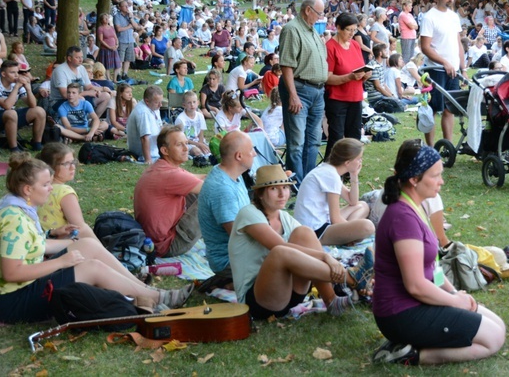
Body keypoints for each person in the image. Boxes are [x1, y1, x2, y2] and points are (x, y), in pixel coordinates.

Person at [0, 153, 193, 323]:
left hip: (20, 289)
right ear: (27, 189)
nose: (51, 188)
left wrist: (59, 238)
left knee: (86, 244)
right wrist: (61, 262)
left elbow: (31, 245)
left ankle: (141, 289)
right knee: (90, 267)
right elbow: (11, 272)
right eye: (45, 185)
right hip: (11, 302)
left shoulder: (19, 209)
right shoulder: (15, 220)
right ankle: (156, 298)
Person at [372, 140, 505, 365]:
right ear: (414, 179)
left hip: (418, 302)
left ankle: (414, 343)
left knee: (499, 326)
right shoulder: (402, 217)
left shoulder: (418, 205)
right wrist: (455, 303)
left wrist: (454, 293)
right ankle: (411, 356)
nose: (441, 181)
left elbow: (432, 267)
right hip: (401, 314)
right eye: (435, 176)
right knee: (493, 339)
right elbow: (415, 285)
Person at [228, 164, 372, 320]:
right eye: (274, 189)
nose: (282, 194)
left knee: (304, 233)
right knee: (280, 252)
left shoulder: (284, 218)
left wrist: (332, 262)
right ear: (260, 194)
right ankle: (352, 279)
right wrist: (325, 257)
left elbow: (308, 245)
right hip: (258, 302)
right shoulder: (248, 213)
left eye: (285, 187)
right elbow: (279, 247)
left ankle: (332, 300)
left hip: (290, 294)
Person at [134, 125, 205, 257]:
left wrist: (220, 173)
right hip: (167, 245)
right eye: (179, 145)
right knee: (212, 197)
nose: (186, 149)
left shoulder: (163, 167)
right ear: (165, 150)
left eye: (186, 143)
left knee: (200, 190)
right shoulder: (170, 175)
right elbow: (216, 190)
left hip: (153, 241)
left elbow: (198, 178)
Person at [277, 0, 328, 181]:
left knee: (313, 141)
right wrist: (293, 95)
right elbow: (287, 65)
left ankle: (308, 181)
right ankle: (296, 182)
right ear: (308, 10)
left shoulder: (313, 31)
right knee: (297, 142)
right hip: (300, 89)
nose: (321, 17)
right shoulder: (292, 30)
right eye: (319, 13)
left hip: (317, 91)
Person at [198, 131, 256, 286]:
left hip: (240, 254)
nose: (254, 154)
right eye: (251, 150)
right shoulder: (223, 189)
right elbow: (239, 236)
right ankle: (229, 282)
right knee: (288, 266)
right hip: (229, 261)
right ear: (239, 156)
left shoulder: (232, 174)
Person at [294, 138, 374, 245]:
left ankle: (345, 237)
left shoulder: (328, 170)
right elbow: (335, 219)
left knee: (362, 205)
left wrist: (354, 176)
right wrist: (353, 231)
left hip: (323, 222)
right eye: (359, 158)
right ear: (348, 162)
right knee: (367, 227)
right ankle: (345, 238)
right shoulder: (331, 176)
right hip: (315, 232)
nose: (360, 162)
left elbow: (353, 201)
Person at [420, 0, 464, 146]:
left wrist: (463, 67)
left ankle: (448, 146)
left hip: (454, 69)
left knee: (449, 109)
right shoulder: (429, 17)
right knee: (431, 108)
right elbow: (425, 47)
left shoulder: (453, 16)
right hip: (435, 69)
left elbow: (458, 42)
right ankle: (430, 148)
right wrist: (444, 62)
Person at [324, 13, 368, 160]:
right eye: (348, 30)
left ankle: (351, 170)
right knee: (336, 137)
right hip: (337, 99)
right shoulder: (330, 47)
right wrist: (349, 77)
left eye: (354, 30)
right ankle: (330, 170)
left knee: (354, 136)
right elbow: (327, 78)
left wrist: (366, 74)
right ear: (338, 28)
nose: (352, 34)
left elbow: (361, 67)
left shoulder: (355, 45)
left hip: (356, 97)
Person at [0, 59, 45, 152]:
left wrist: (28, 89)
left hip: (10, 117)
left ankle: (36, 144)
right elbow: (7, 106)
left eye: (17, 72)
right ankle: (14, 149)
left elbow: (33, 105)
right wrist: (17, 87)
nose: (16, 75)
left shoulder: (15, 84)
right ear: (3, 74)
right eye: (12, 73)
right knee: (11, 113)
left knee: (39, 111)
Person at [35, 143, 96, 239]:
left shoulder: (36, 188)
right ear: (51, 167)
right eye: (66, 164)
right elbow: (80, 228)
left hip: (41, 240)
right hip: (59, 244)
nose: (73, 167)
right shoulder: (65, 192)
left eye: (73, 162)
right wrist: (100, 248)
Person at [50, 46, 111, 117]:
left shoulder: (81, 68)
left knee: (105, 96)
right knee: (80, 100)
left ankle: (93, 121)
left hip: (80, 97)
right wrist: (87, 93)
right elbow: (65, 95)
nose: (81, 60)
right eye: (77, 57)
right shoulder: (60, 71)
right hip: (60, 101)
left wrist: (102, 89)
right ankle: (81, 124)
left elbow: (89, 86)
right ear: (69, 58)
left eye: (81, 57)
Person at [127, 85, 164, 164]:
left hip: (156, 151)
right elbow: (144, 138)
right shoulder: (143, 113)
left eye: (161, 102)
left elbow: (160, 126)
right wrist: (148, 160)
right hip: (145, 155)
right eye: (157, 102)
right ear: (147, 101)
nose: (160, 105)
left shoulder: (153, 106)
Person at [175, 91, 210, 158]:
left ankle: (204, 154)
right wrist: (198, 145)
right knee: (196, 151)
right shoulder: (180, 119)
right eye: (189, 103)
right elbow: (181, 138)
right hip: (186, 143)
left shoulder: (200, 115)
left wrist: (200, 143)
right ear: (184, 105)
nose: (192, 105)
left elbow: (201, 132)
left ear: (198, 103)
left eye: (194, 102)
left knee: (211, 149)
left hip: (198, 141)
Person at [113, 1, 140, 81]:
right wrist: (129, 27)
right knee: (120, 59)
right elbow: (118, 29)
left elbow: (136, 26)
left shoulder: (129, 16)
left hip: (130, 40)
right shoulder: (117, 16)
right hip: (121, 40)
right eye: (125, 6)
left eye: (127, 6)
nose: (127, 7)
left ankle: (125, 74)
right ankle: (118, 75)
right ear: (120, 7)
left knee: (128, 58)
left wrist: (131, 18)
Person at [96, 13, 120, 80]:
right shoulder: (100, 28)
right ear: (101, 20)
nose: (107, 19)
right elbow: (101, 40)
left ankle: (114, 79)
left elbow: (115, 37)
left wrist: (117, 44)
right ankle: (108, 79)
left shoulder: (111, 27)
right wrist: (109, 47)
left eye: (107, 18)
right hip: (105, 49)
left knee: (117, 64)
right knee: (107, 65)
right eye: (105, 18)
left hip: (114, 48)